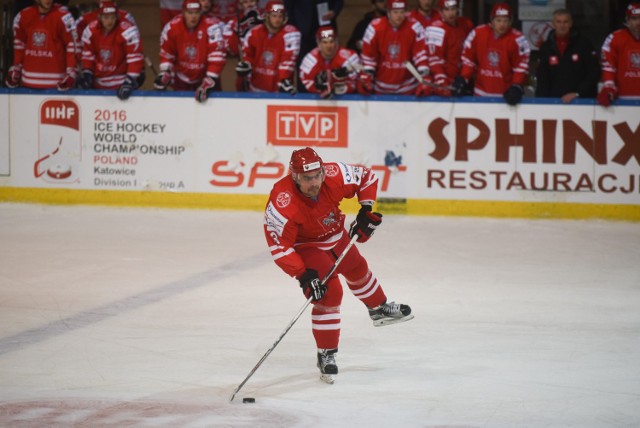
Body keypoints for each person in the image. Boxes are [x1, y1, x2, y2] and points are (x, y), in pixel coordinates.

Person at [263, 147, 413, 383]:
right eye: (306, 178)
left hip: (335, 234)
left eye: (317, 176)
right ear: (294, 177)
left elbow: (366, 177)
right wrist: (303, 275)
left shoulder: (333, 174)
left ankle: (378, 308)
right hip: (307, 246)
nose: (314, 183)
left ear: (322, 171)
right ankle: (326, 354)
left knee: (358, 268)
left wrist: (365, 210)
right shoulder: (282, 201)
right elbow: (279, 246)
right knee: (331, 293)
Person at [452, 2, 531, 106]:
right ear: (492, 21)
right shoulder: (478, 33)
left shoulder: (518, 39)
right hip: (480, 94)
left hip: (505, 97)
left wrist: (516, 85)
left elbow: (521, 66)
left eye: (505, 21)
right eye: (498, 20)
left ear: (510, 22)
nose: (502, 24)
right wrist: (463, 78)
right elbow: (468, 59)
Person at [154, 0, 227, 102]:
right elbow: (167, 53)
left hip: (205, 78)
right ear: (183, 13)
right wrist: (165, 72)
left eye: (197, 12)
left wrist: (210, 79)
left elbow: (217, 56)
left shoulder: (212, 27)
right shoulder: (172, 27)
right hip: (181, 80)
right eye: (190, 13)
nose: (193, 17)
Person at [359, 0, 430, 96]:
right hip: (381, 88)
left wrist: (424, 76)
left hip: (408, 88)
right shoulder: (375, 27)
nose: (399, 16)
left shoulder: (415, 27)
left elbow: (420, 54)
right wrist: (367, 75)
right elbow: (369, 55)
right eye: (395, 12)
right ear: (388, 12)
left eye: (402, 12)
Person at [5, 0, 78, 90]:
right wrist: (17, 67)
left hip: (56, 85)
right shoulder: (23, 16)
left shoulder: (64, 17)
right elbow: (19, 44)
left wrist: (71, 72)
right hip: (28, 83)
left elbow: (72, 45)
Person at [77, 1, 144, 100]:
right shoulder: (91, 30)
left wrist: (130, 80)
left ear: (117, 17)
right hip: (97, 85)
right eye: (106, 17)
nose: (109, 21)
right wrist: (87, 73)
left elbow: (134, 58)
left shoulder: (127, 31)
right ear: (99, 17)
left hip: (120, 83)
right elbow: (88, 55)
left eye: (112, 17)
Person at [535, 8, 599, 103]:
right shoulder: (545, 48)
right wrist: (542, 102)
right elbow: (542, 78)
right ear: (553, 24)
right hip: (553, 102)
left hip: (582, 102)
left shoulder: (584, 45)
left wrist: (578, 93)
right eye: (558, 22)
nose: (562, 25)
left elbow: (594, 72)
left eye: (565, 22)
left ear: (571, 23)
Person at [236, 0, 300, 93]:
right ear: (267, 16)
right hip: (256, 88)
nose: (277, 19)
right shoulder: (254, 33)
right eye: (274, 16)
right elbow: (248, 56)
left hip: (279, 90)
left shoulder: (291, 34)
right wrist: (246, 65)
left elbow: (288, 61)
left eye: (280, 16)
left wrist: (283, 80)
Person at [425, 0, 473, 97]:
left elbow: (470, 55)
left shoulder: (466, 25)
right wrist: (441, 79)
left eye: (453, 9)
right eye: (446, 10)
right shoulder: (436, 28)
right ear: (440, 11)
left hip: (461, 80)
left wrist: (464, 78)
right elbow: (434, 59)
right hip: (444, 82)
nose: (451, 13)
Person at [299, 26, 362, 98]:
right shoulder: (310, 60)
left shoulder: (349, 58)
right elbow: (306, 81)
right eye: (325, 42)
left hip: (348, 101)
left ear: (336, 42)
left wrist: (335, 89)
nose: (328, 46)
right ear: (319, 44)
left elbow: (356, 83)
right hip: (318, 101)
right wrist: (318, 88)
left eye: (331, 41)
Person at [598, 2, 640, 106]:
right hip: (623, 100)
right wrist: (609, 85)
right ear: (627, 20)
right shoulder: (615, 38)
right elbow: (608, 66)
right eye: (634, 19)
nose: (638, 22)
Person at [283, 0, 344, 65]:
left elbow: (339, 2)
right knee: (303, 62)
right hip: (302, 30)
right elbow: (288, 7)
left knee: (328, 60)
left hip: (325, 26)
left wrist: (334, 11)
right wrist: (294, 27)